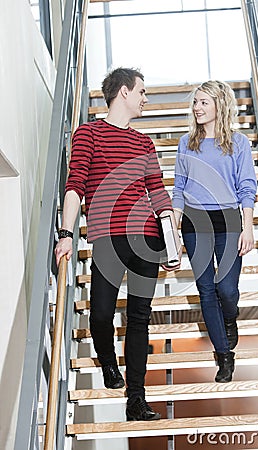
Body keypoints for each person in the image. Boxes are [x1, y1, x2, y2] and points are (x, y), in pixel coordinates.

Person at [55, 67, 181, 421]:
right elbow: (76, 185)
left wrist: (171, 244)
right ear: (123, 92)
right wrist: (66, 235)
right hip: (107, 238)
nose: (146, 98)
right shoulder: (88, 134)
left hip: (146, 238)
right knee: (100, 316)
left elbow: (158, 193)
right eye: (142, 91)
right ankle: (109, 363)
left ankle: (136, 399)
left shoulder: (144, 143)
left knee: (140, 319)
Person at [172, 80, 257, 383]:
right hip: (195, 222)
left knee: (227, 290)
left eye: (204, 102)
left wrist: (247, 227)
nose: (197, 107)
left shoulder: (239, 143)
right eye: (195, 102)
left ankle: (229, 318)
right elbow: (179, 187)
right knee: (206, 289)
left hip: (229, 221)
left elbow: (247, 187)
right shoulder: (187, 142)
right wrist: (174, 225)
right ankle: (224, 355)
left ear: (220, 105)